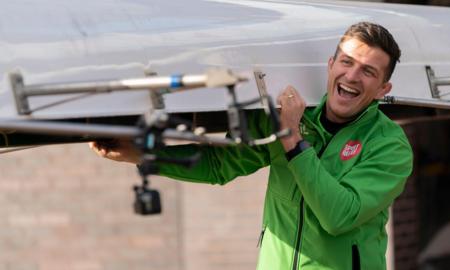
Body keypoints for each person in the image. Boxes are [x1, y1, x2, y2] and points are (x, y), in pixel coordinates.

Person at [90, 21, 413, 270]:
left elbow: (340, 216)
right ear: (331, 64)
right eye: (347, 62)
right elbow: (219, 165)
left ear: (383, 88)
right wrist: (143, 156)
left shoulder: (389, 146)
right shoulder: (292, 116)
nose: (353, 75)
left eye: (368, 71)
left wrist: (292, 139)